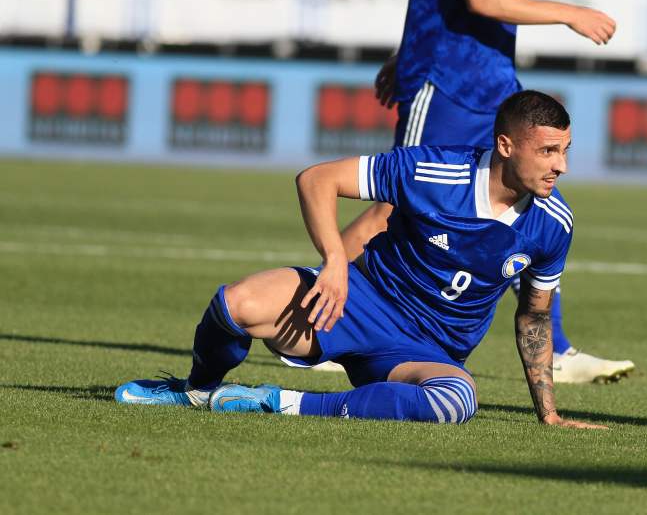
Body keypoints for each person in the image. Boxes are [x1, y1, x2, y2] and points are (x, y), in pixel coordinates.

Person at [115, 91, 606, 428]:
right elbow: (317, 179)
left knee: (456, 400)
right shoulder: (432, 171)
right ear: (505, 145)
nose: (561, 165)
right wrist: (334, 262)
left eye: (565, 150)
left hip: (424, 352)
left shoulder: (553, 223)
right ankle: (196, 390)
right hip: (355, 303)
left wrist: (548, 413)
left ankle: (279, 403)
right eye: (548, 151)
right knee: (235, 304)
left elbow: (534, 317)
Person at [328, 0, 633, 384]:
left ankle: (556, 352)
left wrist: (408, 51)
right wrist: (569, 13)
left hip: (490, 84)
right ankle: (321, 315)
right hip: (448, 85)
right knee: (393, 206)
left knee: (531, 204)